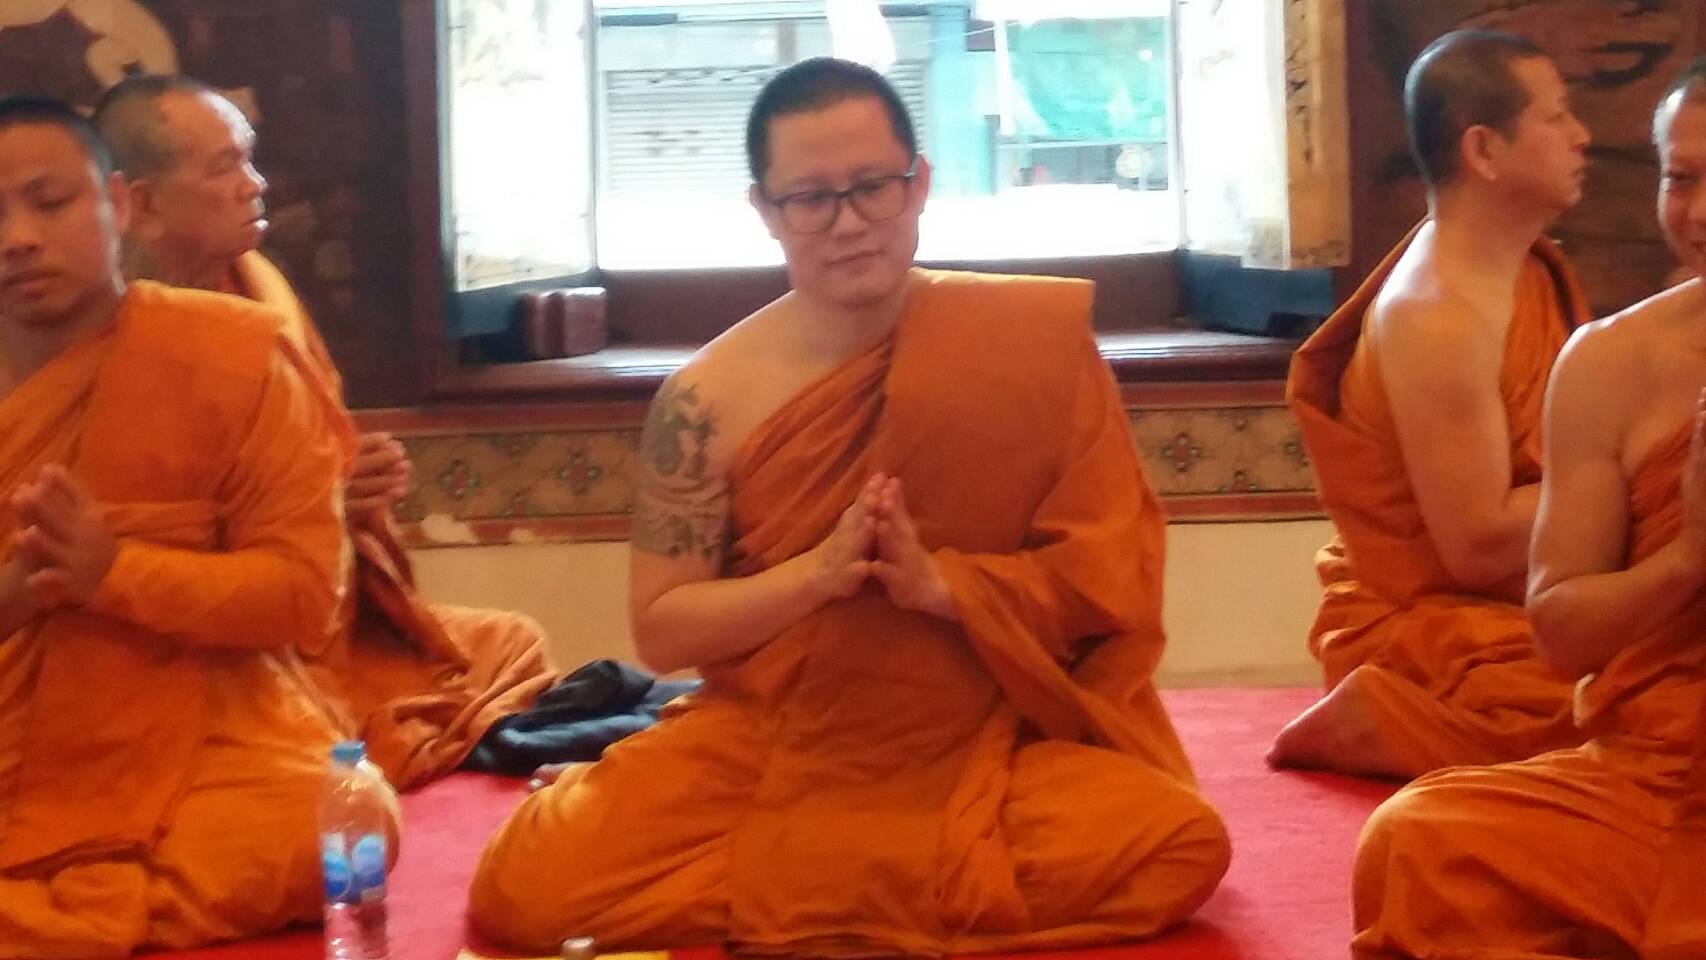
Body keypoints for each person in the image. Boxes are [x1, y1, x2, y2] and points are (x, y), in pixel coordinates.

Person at [467, 57, 1230, 956]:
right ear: (765, 209)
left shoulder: (1029, 347)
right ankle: (900, 887)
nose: (849, 221)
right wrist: (816, 577)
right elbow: (665, 631)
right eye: (810, 198)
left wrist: (944, 587)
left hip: (978, 736)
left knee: (1177, 842)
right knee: (524, 890)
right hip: (773, 740)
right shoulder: (705, 399)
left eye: (873, 186)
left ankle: (795, 885)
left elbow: (1109, 584)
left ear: (920, 184)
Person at [0, 94, 389, 956]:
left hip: (202, 734)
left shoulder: (231, 353)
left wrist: (115, 573)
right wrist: (22, 591)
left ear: (119, 203)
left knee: (326, 830)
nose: (18, 237)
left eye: (48, 202)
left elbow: (302, 596)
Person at [91, 74, 557, 790]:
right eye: (225, 167)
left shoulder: (260, 289)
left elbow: (306, 477)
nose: (256, 184)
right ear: (143, 203)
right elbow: (141, 538)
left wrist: (346, 496)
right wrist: (322, 503)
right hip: (190, 647)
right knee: (312, 759)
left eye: (249, 158)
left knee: (509, 641)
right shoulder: (109, 335)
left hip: (311, 622)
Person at [1351, 56, 1706, 958]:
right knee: (1415, 844)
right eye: (1682, 179)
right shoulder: (1611, 361)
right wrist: (1687, 559)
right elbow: (1560, 633)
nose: (1699, 213)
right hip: (1659, 779)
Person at [1272, 30, 1592, 778]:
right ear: (1484, 149)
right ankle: (1373, 715)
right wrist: (1630, 477)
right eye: (1556, 116)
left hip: (1522, 595)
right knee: (1614, 712)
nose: (1581, 136)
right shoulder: (1436, 316)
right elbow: (1476, 546)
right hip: (1436, 624)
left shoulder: (1526, 271)